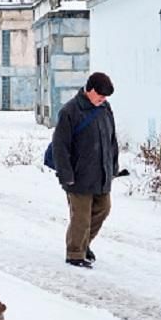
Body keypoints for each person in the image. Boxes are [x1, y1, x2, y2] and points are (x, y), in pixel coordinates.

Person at [52, 72, 119, 268]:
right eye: (100, 95)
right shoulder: (70, 111)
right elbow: (60, 146)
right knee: (81, 216)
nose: (103, 99)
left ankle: (83, 244)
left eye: (105, 97)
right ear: (89, 90)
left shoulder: (105, 108)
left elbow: (112, 140)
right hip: (78, 175)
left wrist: (113, 166)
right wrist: (65, 175)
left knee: (103, 209)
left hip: (101, 173)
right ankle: (74, 253)